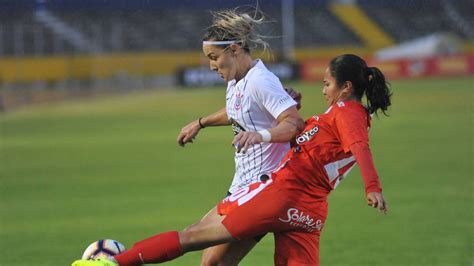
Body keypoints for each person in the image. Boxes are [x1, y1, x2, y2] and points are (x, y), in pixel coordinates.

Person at [72, 54, 391, 266]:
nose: (323, 89)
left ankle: (111, 263)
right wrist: (290, 115)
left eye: (327, 83)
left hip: (279, 196)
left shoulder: (348, 113)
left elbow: (360, 146)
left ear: (346, 86)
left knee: (194, 237)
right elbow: (312, 146)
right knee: (211, 259)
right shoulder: (339, 115)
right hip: (308, 212)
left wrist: (372, 187)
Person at [175, 8, 305, 265]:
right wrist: (201, 122)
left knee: (207, 256)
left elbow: (294, 123)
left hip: (262, 188)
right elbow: (238, 110)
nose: (212, 65)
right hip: (242, 185)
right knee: (214, 262)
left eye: (214, 57)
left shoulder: (260, 80)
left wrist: (261, 135)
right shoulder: (237, 80)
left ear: (234, 49)